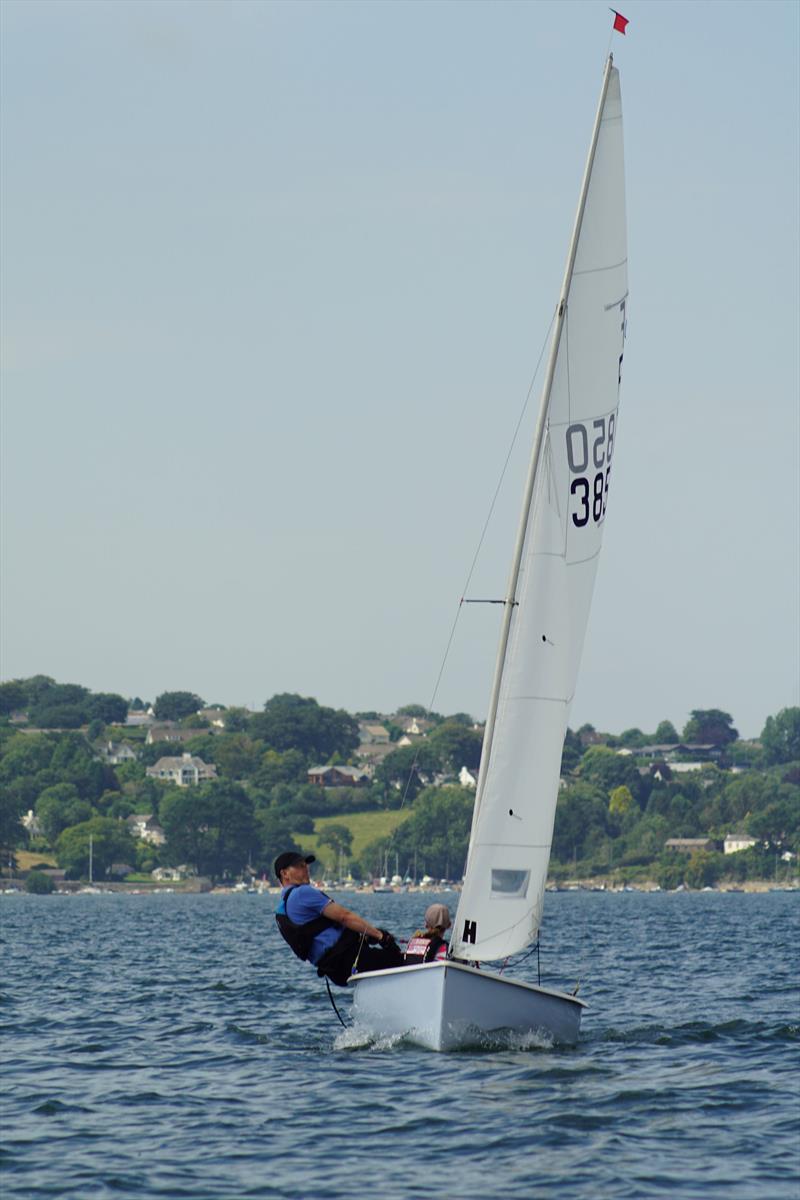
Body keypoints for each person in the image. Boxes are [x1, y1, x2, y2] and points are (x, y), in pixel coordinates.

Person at [274, 851, 405, 987]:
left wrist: (365, 937)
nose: (306, 869)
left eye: (306, 865)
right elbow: (344, 917)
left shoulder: (284, 906)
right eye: (300, 866)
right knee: (401, 960)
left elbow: (321, 931)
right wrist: (380, 936)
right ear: (285, 874)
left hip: (335, 970)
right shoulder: (302, 893)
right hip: (348, 958)